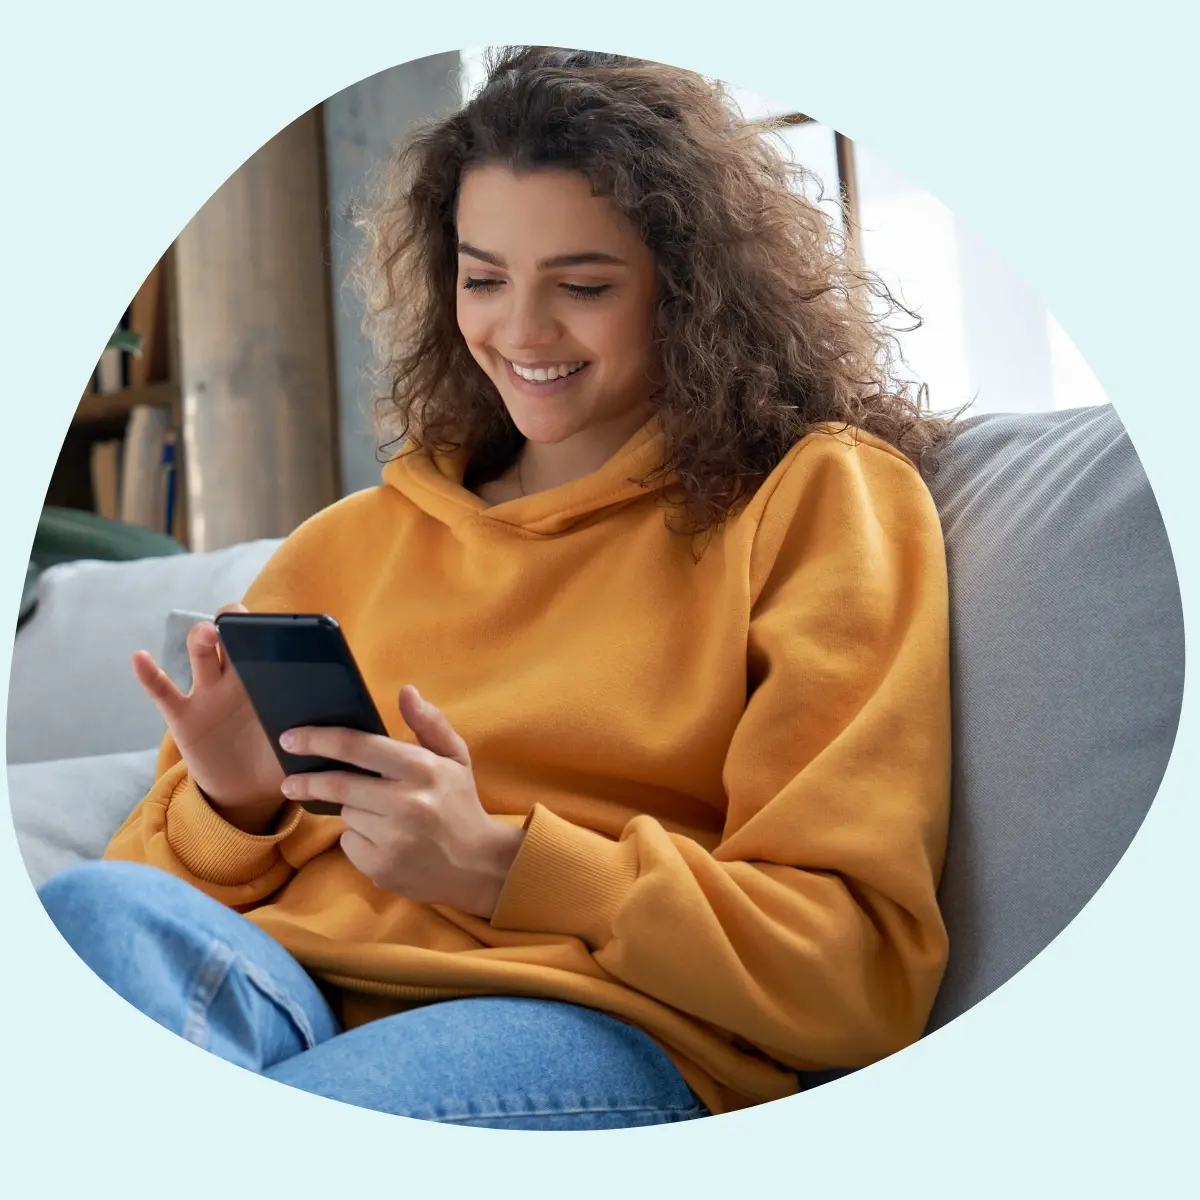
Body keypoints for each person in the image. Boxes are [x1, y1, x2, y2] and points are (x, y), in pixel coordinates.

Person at [38, 45, 953, 1130]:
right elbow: (160, 890)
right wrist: (234, 807)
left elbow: (855, 970)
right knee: (90, 916)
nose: (520, 333)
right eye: (483, 278)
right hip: (289, 988)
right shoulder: (349, 543)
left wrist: (500, 864)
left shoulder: (815, 499)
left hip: (592, 1016)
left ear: (690, 287)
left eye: (583, 285)